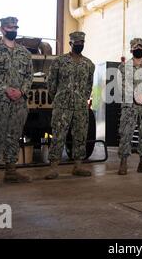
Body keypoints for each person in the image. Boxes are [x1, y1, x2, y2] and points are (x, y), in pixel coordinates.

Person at [0, 17, 33, 188]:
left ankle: (11, 171)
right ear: (2, 29)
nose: (14, 30)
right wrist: (5, 89)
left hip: (18, 102)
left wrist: (21, 91)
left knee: (14, 137)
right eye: (10, 27)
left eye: (16, 27)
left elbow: (29, 76)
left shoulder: (24, 53)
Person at [45, 31, 95, 179]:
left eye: (82, 43)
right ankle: (54, 167)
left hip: (80, 106)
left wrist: (82, 98)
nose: (79, 45)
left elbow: (89, 85)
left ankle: (78, 166)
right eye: (76, 43)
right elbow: (51, 83)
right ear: (70, 43)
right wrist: (59, 98)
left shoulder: (89, 64)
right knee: (58, 136)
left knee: (80, 136)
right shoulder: (59, 61)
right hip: (62, 106)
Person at [117, 38, 142, 175]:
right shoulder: (123, 68)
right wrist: (135, 96)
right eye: (136, 47)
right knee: (126, 134)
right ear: (131, 50)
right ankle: (123, 162)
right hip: (129, 106)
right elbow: (121, 86)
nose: (138, 49)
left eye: (140, 47)